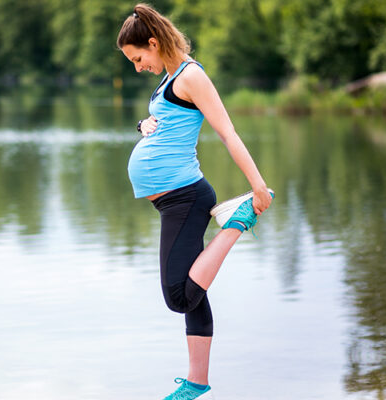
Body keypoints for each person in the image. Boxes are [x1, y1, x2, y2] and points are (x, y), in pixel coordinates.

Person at [117, 4, 274, 399]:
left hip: (184, 196)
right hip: (174, 198)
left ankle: (238, 220)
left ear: (153, 43)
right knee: (193, 292)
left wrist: (257, 186)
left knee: (178, 295)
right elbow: (167, 121)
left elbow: (228, 132)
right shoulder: (171, 75)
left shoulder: (192, 76)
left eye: (138, 58)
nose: (138, 67)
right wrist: (143, 124)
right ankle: (196, 383)